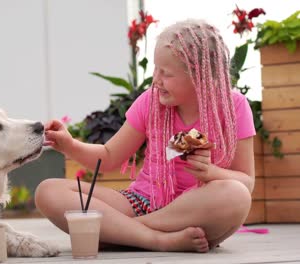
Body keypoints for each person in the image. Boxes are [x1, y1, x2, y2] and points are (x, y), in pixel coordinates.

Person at [35, 19, 255, 253]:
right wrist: (70, 145)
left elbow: (246, 181)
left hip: (195, 210)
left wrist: (212, 173)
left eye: (166, 73)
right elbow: (108, 156)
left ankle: (119, 233)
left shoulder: (234, 107)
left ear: (198, 77)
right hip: (142, 201)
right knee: (48, 191)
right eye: (155, 69)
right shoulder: (150, 102)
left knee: (236, 195)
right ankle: (156, 239)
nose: (156, 80)